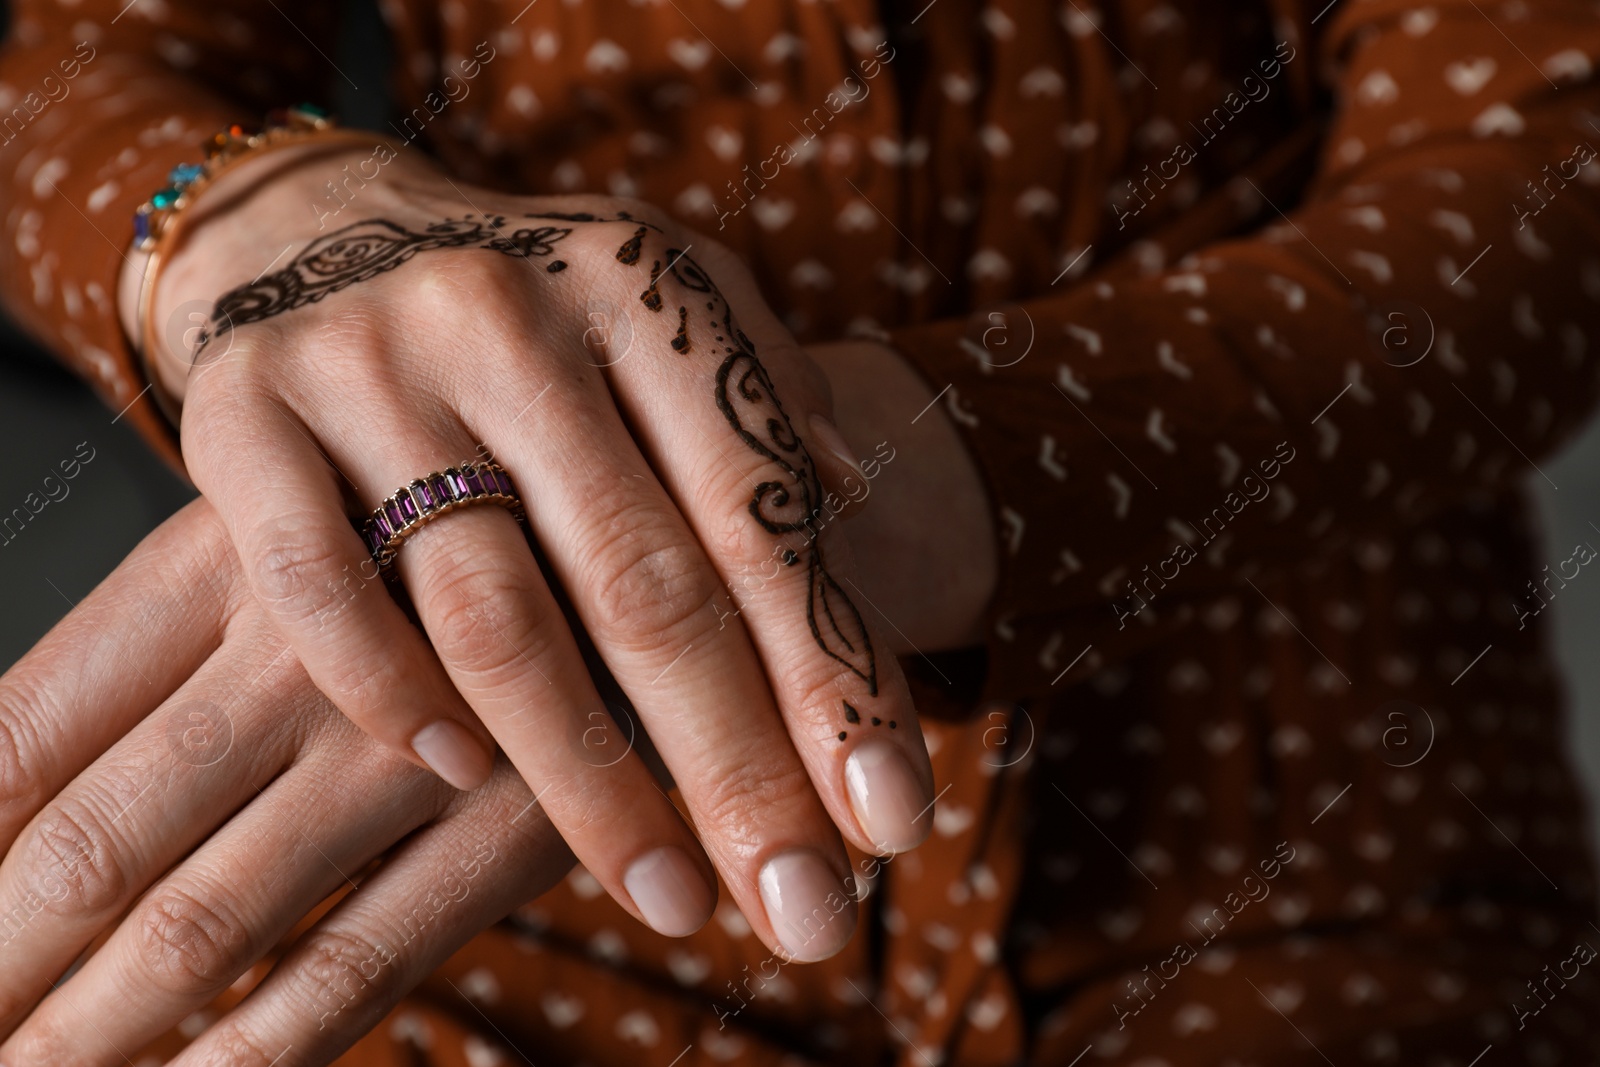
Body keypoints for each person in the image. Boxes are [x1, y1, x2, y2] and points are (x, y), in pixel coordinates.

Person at [1, 0, 1599, 1064]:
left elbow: (1547, 161)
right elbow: (64, 76)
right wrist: (269, 230)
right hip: (518, 819)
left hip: (1323, 835)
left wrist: (847, 491)